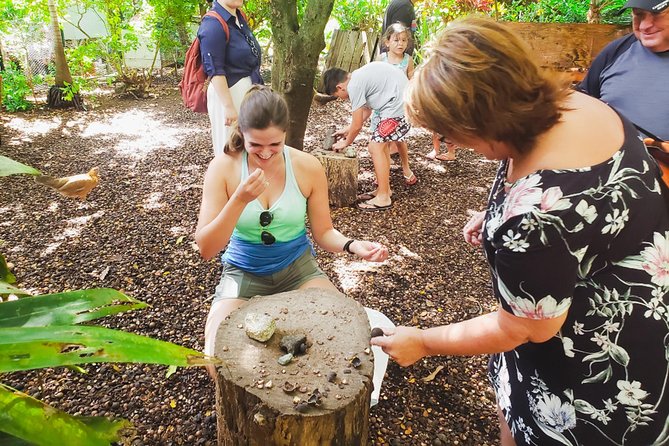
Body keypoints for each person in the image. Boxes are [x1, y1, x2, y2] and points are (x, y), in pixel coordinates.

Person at [371, 16, 669, 445]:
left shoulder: (533, 219)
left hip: (592, 368)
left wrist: (423, 342)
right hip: (647, 311)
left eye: (452, 135)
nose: (454, 144)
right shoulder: (576, 105)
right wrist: (494, 214)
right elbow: (576, 211)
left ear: (481, 125)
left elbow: (527, 329)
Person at [195, 85, 389, 363]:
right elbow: (206, 248)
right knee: (218, 358)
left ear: (286, 133)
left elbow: (323, 232)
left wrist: (352, 245)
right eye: (255, 145)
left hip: (298, 270)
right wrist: (239, 199)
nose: (265, 153)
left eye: (274, 144)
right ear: (242, 133)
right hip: (243, 272)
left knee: (347, 337)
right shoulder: (223, 167)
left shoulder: (307, 166)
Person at [322, 63, 416, 211]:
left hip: (398, 107)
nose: (340, 99)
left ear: (340, 87)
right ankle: (384, 190)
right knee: (380, 145)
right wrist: (347, 130)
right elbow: (366, 111)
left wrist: (345, 143)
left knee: (374, 147)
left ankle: (384, 197)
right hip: (397, 104)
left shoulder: (354, 86)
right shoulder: (357, 78)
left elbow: (358, 124)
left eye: (337, 96)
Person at [579, 0, 669, 141]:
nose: (644, 26)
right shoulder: (615, 52)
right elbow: (582, 102)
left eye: (656, 14)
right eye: (638, 15)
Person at [198, 0, 263, 156]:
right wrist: (228, 107)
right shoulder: (212, 24)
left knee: (250, 149)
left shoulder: (239, 18)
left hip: (248, 94)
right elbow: (214, 70)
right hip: (229, 96)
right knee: (230, 150)